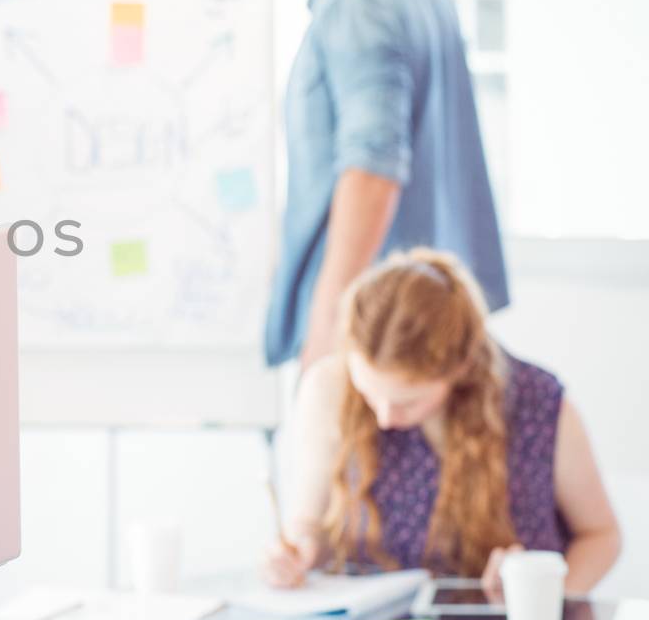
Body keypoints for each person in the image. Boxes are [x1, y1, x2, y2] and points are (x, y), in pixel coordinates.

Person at [264, 0, 508, 372]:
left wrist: (327, 326)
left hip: (375, 325)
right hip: (430, 314)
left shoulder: (357, 0)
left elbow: (372, 167)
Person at [263, 249, 620, 596]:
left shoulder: (539, 407)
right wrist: (298, 550)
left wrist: (542, 598)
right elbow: (310, 527)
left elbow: (602, 536)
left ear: (459, 368)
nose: (385, 417)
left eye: (408, 401)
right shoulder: (330, 389)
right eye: (370, 393)